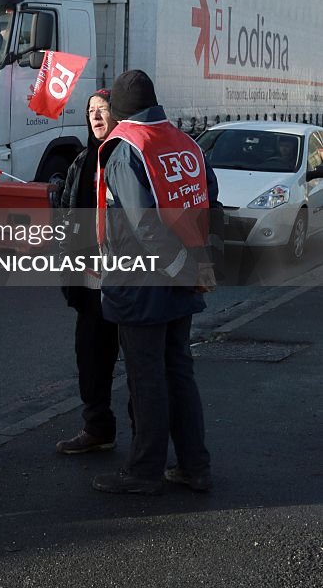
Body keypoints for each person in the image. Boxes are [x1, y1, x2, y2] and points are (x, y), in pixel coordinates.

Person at [91, 70, 221, 496]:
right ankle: (194, 465)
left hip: (140, 281)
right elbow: (209, 205)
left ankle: (144, 470)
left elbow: (144, 227)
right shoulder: (187, 145)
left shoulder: (127, 149)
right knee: (179, 372)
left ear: (123, 111)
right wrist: (199, 265)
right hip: (181, 281)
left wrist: (184, 266)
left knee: (147, 378)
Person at [55, 90, 121, 455]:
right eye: (90, 112)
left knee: (141, 365)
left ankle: (147, 443)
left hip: (127, 280)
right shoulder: (82, 160)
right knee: (92, 360)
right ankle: (98, 428)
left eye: (103, 110)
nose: (96, 118)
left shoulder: (128, 154)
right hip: (90, 281)